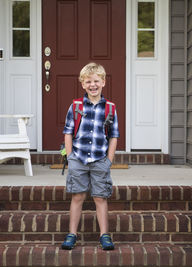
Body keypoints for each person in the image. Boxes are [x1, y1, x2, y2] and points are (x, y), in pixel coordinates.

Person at [61, 62, 119, 250]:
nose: (92, 85)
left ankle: (104, 235)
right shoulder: (76, 106)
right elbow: (68, 131)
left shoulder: (110, 108)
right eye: (88, 82)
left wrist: (109, 160)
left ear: (103, 82)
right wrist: (70, 157)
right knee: (77, 196)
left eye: (96, 81)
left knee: (100, 197)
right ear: (82, 84)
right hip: (78, 159)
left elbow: (114, 135)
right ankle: (72, 234)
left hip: (100, 160)